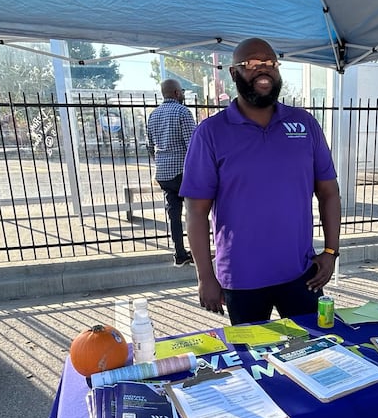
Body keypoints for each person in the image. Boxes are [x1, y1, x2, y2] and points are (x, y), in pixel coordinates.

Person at [181, 38, 342, 325]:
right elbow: (196, 211)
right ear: (234, 73)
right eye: (252, 64)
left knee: (316, 347)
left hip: (301, 275)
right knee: (253, 353)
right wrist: (205, 276)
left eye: (270, 63)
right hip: (242, 280)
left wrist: (330, 252)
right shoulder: (210, 132)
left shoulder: (304, 124)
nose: (263, 69)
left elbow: (329, 192)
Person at [146, 79, 197, 266]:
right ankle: (198, 254)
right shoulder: (183, 112)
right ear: (176, 93)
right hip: (182, 172)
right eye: (181, 91)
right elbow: (193, 144)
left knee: (173, 214)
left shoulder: (153, 115)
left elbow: (150, 145)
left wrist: (160, 161)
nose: (182, 94)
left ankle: (179, 253)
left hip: (163, 173)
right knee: (194, 213)